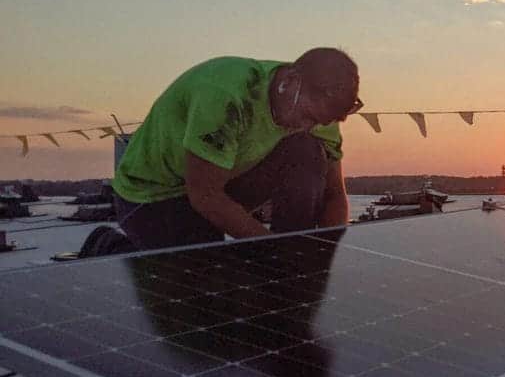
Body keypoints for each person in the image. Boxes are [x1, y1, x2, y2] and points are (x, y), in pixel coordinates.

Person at [110, 48, 361, 251]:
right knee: (199, 279)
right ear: (291, 82)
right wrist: (274, 251)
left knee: (308, 151)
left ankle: (293, 242)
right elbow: (204, 195)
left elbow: (334, 195)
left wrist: (326, 252)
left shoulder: (320, 114)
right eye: (308, 117)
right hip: (153, 196)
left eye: (319, 122)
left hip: (225, 179)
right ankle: (107, 247)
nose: (311, 125)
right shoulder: (226, 96)